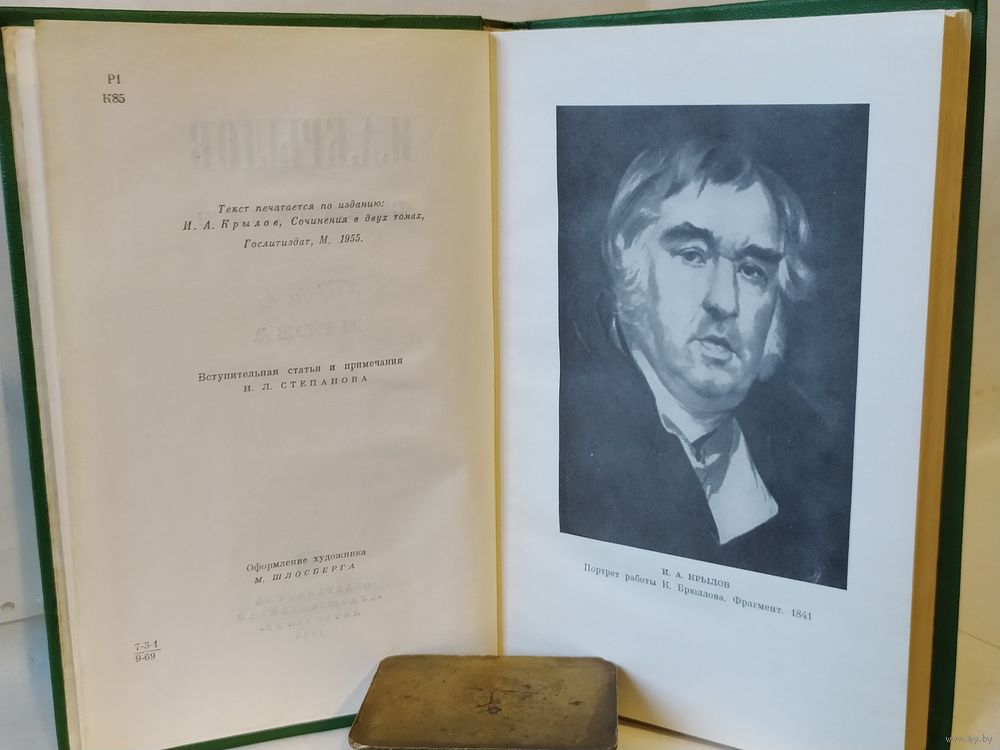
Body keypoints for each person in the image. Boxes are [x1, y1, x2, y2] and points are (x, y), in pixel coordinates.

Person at [559, 138, 851, 588]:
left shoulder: (818, 459)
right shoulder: (571, 436)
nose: (724, 301)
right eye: (693, 255)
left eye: (752, 270)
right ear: (631, 263)